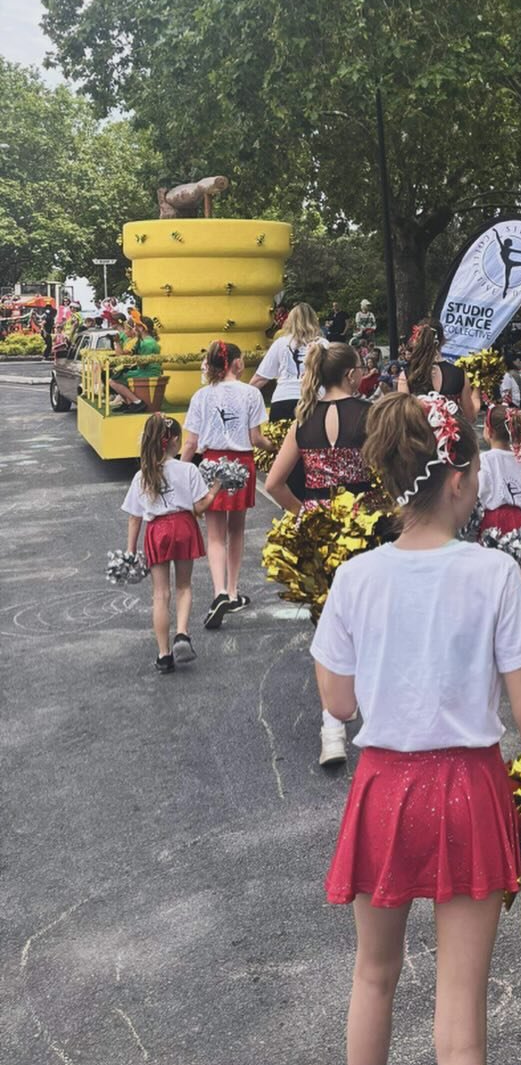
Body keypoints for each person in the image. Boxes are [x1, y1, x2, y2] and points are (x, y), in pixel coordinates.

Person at [312, 393, 521, 1065]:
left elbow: (338, 702)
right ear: (457, 479)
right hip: (469, 788)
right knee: (461, 1011)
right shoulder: (495, 573)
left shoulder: (354, 576)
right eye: (476, 473)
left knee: (374, 975)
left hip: (384, 789)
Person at [264, 343, 372, 766]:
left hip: (318, 535)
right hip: (363, 530)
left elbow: (274, 483)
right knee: (369, 625)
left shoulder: (303, 419)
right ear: (349, 375)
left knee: (328, 629)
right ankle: (373, 713)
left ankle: (332, 731)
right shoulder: (369, 414)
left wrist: (306, 513)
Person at [122, 414, 219, 674]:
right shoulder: (188, 470)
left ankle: (164, 654)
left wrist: (131, 550)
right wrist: (215, 489)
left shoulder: (142, 475)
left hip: (157, 531)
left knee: (160, 594)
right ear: (175, 441)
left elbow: (134, 517)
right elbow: (200, 507)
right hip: (184, 526)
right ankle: (182, 634)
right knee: (184, 586)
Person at [181, 340, 267, 631]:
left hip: (211, 464)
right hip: (241, 464)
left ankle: (218, 592)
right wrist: (274, 446)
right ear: (236, 363)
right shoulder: (251, 394)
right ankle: (232, 591)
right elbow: (256, 438)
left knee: (215, 535)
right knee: (236, 530)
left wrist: (179, 471)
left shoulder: (201, 395)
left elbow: (191, 442)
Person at [477, 403, 521, 558]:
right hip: (519, 518)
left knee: (491, 562)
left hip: (493, 520)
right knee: (517, 562)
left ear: (489, 430)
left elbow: (480, 489)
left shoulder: (485, 459)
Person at [252, 302, 329, 421]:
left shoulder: (281, 343)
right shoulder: (323, 344)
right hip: (316, 399)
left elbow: (261, 378)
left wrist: (243, 396)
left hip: (284, 398)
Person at [398, 321, 481, 422]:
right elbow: (470, 417)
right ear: (443, 341)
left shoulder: (407, 375)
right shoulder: (459, 373)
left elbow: (402, 417)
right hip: (451, 431)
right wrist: (477, 392)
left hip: (418, 431)